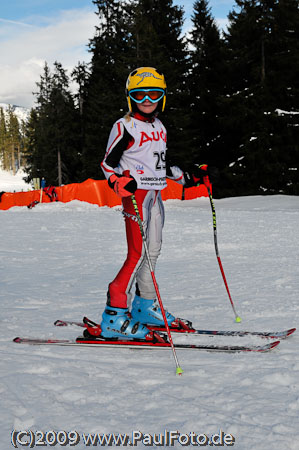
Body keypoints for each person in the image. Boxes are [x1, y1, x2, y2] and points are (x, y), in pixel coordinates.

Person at [100, 67, 210, 341]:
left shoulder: (159, 127)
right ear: (130, 97)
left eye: (154, 93)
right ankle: (113, 314)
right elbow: (107, 163)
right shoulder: (124, 126)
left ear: (162, 96)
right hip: (135, 197)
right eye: (140, 94)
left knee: (154, 251)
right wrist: (116, 182)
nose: (147, 99)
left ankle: (144, 306)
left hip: (155, 197)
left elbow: (157, 164)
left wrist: (186, 177)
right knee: (137, 254)